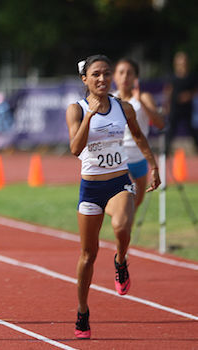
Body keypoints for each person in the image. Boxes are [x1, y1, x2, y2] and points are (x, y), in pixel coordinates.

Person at [66, 54, 160, 339]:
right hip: (91, 188)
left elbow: (140, 136)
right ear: (85, 79)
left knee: (121, 226)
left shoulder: (124, 107)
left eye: (106, 74)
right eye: (96, 74)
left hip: (120, 181)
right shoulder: (76, 109)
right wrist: (91, 115)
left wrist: (153, 165)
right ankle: (82, 310)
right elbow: (74, 148)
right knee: (87, 255)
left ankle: (120, 260)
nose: (102, 79)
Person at [113, 58, 165, 209]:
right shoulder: (110, 99)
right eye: (121, 73)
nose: (125, 77)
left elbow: (159, 123)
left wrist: (140, 102)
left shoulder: (143, 97)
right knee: (125, 204)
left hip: (141, 160)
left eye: (129, 73)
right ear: (115, 76)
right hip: (120, 161)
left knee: (135, 206)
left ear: (135, 77)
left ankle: (124, 231)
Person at [163, 51, 198, 155]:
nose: (182, 64)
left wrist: (189, 95)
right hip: (175, 107)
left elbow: (195, 90)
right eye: (179, 61)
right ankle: (166, 150)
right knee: (171, 129)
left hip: (187, 107)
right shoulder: (172, 76)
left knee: (192, 129)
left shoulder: (192, 76)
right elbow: (168, 90)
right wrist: (167, 105)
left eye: (183, 61)